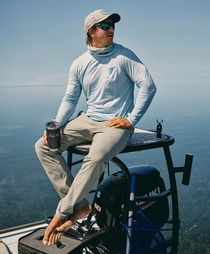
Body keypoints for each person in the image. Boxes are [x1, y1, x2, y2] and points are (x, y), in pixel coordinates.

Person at [35, 9, 156, 246]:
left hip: (115, 124)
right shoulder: (79, 63)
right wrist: (57, 126)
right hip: (87, 119)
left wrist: (131, 119)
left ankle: (62, 213)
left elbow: (148, 85)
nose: (111, 29)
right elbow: (70, 98)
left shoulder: (124, 56)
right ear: (90, 31)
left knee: (96, 156)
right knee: (43, 146)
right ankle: (80, 207)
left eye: (112, 25)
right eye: (105, 25)